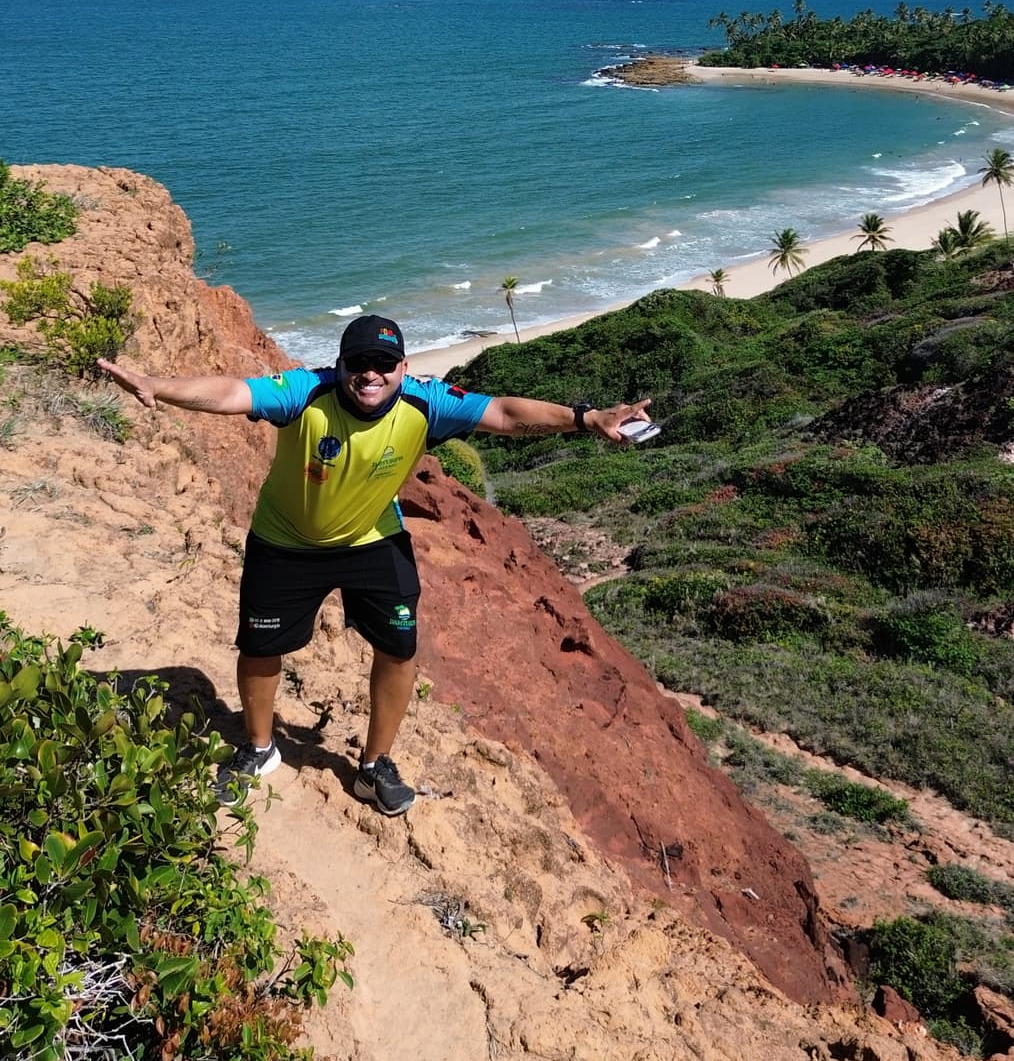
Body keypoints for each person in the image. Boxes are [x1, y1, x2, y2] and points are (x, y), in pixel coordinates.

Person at [99, 313, 650, 815]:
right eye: (359, 362)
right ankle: (261, 748)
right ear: (339, 364)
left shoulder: (426, 401)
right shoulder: (306, 392)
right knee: (261, 647)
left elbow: (504, 413)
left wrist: (587, 418)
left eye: (384, 364)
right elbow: (232, 392)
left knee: (398, 647)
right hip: (287, 540)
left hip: (372, 538)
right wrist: (158, 386)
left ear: (403, 368)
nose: (371, 374)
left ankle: (373, 765)